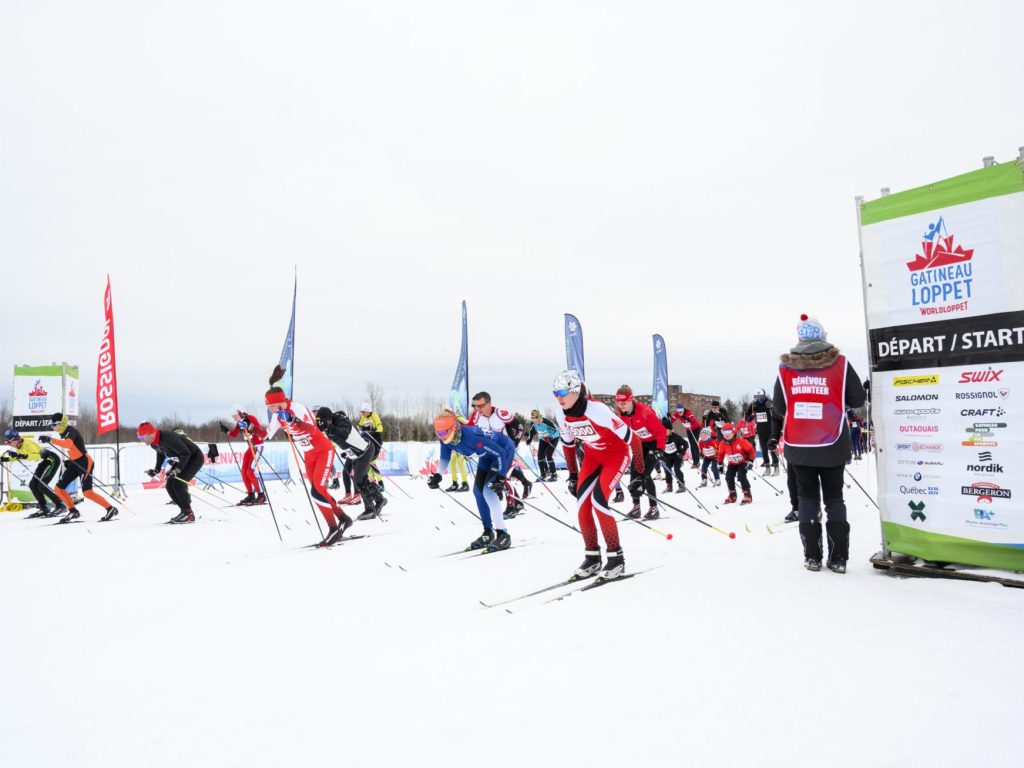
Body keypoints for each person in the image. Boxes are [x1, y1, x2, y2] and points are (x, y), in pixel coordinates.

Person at [773, 314, 866, 573]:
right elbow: (858, 398)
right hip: (832, 443)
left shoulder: (785, 369)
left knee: (807, 498)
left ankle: (812, 557)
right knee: (834, 498)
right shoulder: (841, 364)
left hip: (799, 445)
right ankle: (838, 559)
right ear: (823, 337)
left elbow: (780, 407)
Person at [553, 370, 644, 581]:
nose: (559, 397)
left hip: (616, 455)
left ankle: (616, 559)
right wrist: (573, 476)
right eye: (555, 393)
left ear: (576, 391)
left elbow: (635, 440)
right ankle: (592, 557)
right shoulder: (561, 413)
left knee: (599, 502)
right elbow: (568, 445)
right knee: (582, 506)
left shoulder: (598, 410)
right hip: (592, 458)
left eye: (563, 392)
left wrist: (639, 475)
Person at [266, 366, 353, 545]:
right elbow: (266, 434)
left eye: (271, 406)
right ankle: (343, 518)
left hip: (323, 450)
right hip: (309, 456)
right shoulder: (277, 415)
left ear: (279, 401)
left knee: (316, 492)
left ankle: (333, 528)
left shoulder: (297, 408)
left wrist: (293, 420)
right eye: (269, 407)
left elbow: (313, 429)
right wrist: (249, 429)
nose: (271, 410)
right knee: (319, 491)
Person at [427, 409, 515, 552]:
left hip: (503, 451)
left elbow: (501, 453)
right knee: (478, 492)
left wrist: (500, 477)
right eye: (438, 433)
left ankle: (503, 534)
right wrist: (438, 475)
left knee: (488, 490)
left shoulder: (472, 437)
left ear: (454, 428)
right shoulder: (446, 438)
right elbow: (444, 457)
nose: (441, 436)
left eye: (444, 433)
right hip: (487, 456)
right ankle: (488, 532)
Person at [40, 413, 118, 523]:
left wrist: (50, 440)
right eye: (51, 425)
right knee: (59, 488)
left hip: (85, 462)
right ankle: (73, 511)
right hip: (75, 463)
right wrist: (70, 460)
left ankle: (111, 509)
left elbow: (68, 444)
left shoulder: (70, 431)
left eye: (53, 425)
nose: (52, 427)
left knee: (87, 492)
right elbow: (73, 448)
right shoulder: (63, 433)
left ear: (61, 424)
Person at [315, 406, 386, 521]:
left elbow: (344, 434)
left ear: (330, 418)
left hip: (365, 450)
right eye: (322, 422)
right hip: (354, 453)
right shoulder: (328, 426)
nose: (325, 424)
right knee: (353, 476)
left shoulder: (341, 420)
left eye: (327, 421)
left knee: (358, 480)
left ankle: (370, 508)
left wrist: (329, 427)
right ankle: (380, 499)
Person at [468, 391, 532, 515]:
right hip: (490, 453)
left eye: (481, 405)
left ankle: (512, 506)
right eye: (476, 406)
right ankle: (518, 501)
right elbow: (469, 433)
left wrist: (513, 444)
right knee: (493, 480)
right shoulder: (476, 417)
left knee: (501, 478)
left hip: (505, 451)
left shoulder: (500, 414)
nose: (478, 409)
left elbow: (519, 427)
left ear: (489, 403)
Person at [613, 385, 666, 520]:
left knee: (644, 476)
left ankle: (653, 508)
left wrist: (659, 449)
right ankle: (636, 507)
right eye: (618, 403)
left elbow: (661, 431)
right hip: (639, 445)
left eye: (624, 403)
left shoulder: (644, 411)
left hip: (653, 444)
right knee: (634, 476)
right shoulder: (620, 414)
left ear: (631, 400)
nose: (621, 406)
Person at [139, 421, 205, 524]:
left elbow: (186, 453)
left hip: (194, 457)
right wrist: (156, 469)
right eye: (140, 438)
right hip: (182, 459)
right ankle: (184, 511)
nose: (142, 440)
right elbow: (160, 454)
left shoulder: (168, 438)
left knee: (178, 483)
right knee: (170, 485)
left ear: (151, 434)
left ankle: (189, 514)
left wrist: (177, 470)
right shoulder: (153, 443)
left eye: (142, 438)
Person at [2, 428, 65, 518]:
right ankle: (44, 508)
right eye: (6, 442)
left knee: (41, 485)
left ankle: (60, 505)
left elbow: (38, 456)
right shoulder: (19, 447)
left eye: (9, 442)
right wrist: (6, 459)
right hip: (44, 462)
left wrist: (20, 455)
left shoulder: (27, 444)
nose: (8, 444)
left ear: (16, 439)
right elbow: (18, 457)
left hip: (52, 460)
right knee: (33, 484)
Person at [220, 407, 268, 506]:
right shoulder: (239, 422)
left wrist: (249, 426)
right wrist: (226, 431)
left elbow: (261, 432)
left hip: (257, 446)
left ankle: (261, 495)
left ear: (239, 412)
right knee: (244, 471)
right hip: (250, 447)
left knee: (250, 471)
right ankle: (251, 495)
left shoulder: (251, 418)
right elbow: (234, 434)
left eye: (234, 416)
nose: (233, 418)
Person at [716, 422, 755, 505]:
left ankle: (747, 494)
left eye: (728, 433)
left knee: (741, 475)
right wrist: (720, 464)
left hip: (743, 461)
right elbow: (721, 454)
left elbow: (751, 450)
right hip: (732, 463)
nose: (726, 435)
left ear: (733, 432)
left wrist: (751, 461)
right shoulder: (722, 444)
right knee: (728, 476)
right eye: (724, 433)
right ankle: (732, 494)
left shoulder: (741, 441)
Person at [746, 389, 780, 475]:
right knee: (764, 449)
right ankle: (767, 467)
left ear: (764, 395)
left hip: (771, 429)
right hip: (761, 430)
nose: (759, 398)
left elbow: (778, 414)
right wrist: (749, 417)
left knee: (771, 448)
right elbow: (747, 415)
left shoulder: (769, 402)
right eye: (757, 397)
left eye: (761, 397)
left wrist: (772, 407)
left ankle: (776, 466)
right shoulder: (754, 404)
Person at [526, 409, 560, 481]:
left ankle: (554, 474)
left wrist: (551, 437)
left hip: (553, 438)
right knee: (540, 456)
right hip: (543, 439)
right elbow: (531, 432)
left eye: (536, 419)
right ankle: (543, 474)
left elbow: (557, 431)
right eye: (533, 420)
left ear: (539, 417)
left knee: (548, 454)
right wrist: (529, 440)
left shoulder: (546, 422)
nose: (535, 422)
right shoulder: (534, 425)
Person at [357, 403, 385, 487]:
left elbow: (380, 428)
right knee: (367, 462)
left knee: (372, 462)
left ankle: (380, 482)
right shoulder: (363, 417)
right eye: (361, 412)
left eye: (363, 412)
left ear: (368, 411)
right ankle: (373, 482)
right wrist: (360, 430)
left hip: (376, 441)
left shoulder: (374, 416)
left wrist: (371, 431)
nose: (362, 414)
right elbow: (359, 426)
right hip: (368, 442)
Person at [659, 417, 687, 493]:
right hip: (667, 456)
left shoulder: (676, 437)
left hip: (677, 456)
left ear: (670, 430)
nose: (664, 432)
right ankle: (669, 486)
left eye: (666, 430)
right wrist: (660, 455)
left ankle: (681, 485)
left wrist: (682, 453)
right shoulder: (661, 437)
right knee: (667, 469)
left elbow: (685, 444)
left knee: (676, 469)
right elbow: (658, 446)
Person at [671, 403, 702, 468]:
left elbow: (693, 420)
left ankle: (697, 462)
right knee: (691, 444)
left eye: (681, 412)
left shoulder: (688, 413)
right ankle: (694, 461)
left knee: (694, 444)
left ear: (683, 410)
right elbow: (672, 420)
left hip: (695, 428)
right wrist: (668, 419)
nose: (679, 413)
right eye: (678, 412)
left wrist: (689, 421)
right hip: (688, 429)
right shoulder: (677, 413)